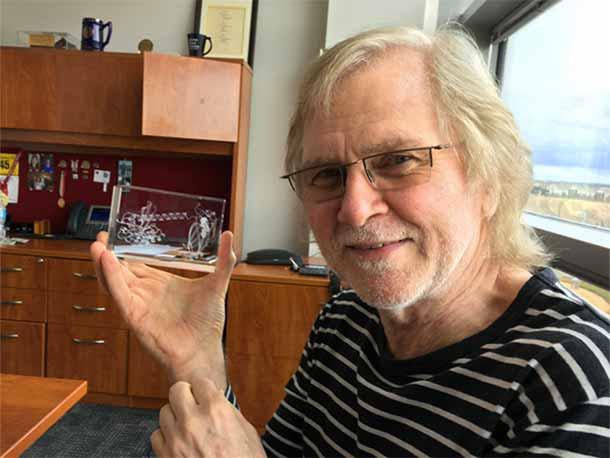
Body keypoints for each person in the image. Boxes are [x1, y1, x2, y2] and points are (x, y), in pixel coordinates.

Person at [91, 25, 610, 457]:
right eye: (326, 174)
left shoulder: (576, 381)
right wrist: (198, 360)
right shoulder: (346, 319)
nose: (355, 208)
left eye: (399, 161)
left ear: (488, 176)